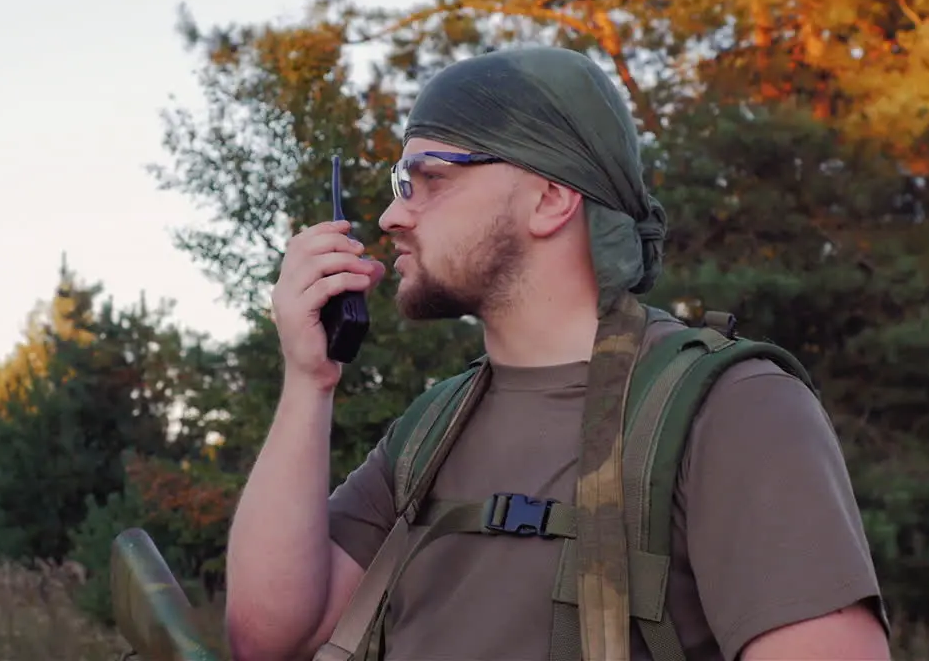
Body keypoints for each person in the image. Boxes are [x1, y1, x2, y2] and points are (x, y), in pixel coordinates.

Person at [222, 46, 890, 661]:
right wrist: (308, 380)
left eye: (425, 178)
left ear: (550, 199)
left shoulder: (733, 407)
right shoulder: (430, 429)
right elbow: (272, 634)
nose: (393, 216)